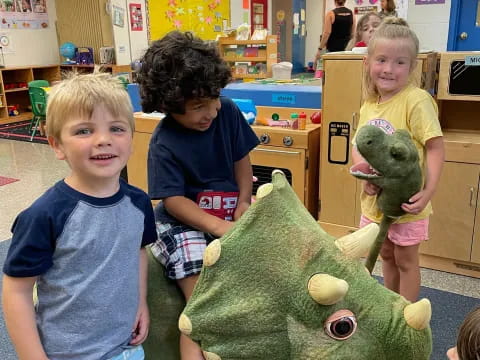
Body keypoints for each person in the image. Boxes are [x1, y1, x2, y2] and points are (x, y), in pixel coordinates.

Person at [2, 73, 158, 360]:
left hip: (127, 346)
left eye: (117, 128)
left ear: (132, 139)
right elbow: (16, 291)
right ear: (57, 145)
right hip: (69, 353)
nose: (103, 140)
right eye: (84, 131)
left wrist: (141, 303)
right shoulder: (44, 215)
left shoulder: (139, 203)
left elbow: (137, 252)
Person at [136, 31, 259, 359]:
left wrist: (245, 201)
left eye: (215, 99)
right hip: (182, 223)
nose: (212, 112)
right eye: (198, 107)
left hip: (230, 211)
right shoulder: (163, 143)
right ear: (169, 106)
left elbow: (242, 162)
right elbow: (173, 202)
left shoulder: (228, 113)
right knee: (202, 303)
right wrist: (218, 228)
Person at [351, 17, 444, 302]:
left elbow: (436, 147)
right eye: (382, 60)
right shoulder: (369, 104)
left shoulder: (415, 100)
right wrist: (362, 170)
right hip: (376, 201)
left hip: (407, 202)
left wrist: (428, 191)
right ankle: (390, 305)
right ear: (367, 62)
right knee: (386, 254)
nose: (389, 69)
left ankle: (406, 316)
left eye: (400, 62)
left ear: (412, 66)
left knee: (405, 258)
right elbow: (359, 144)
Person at [313, 0, 355, 70]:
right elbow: (353, 33)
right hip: (346, 50)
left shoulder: (331, 14)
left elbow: (326, 33)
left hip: (332, 50)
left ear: (334, 1)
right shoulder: (351, 14)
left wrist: (320, 48)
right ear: (345, 1)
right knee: (344, 71)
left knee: (332, 72)